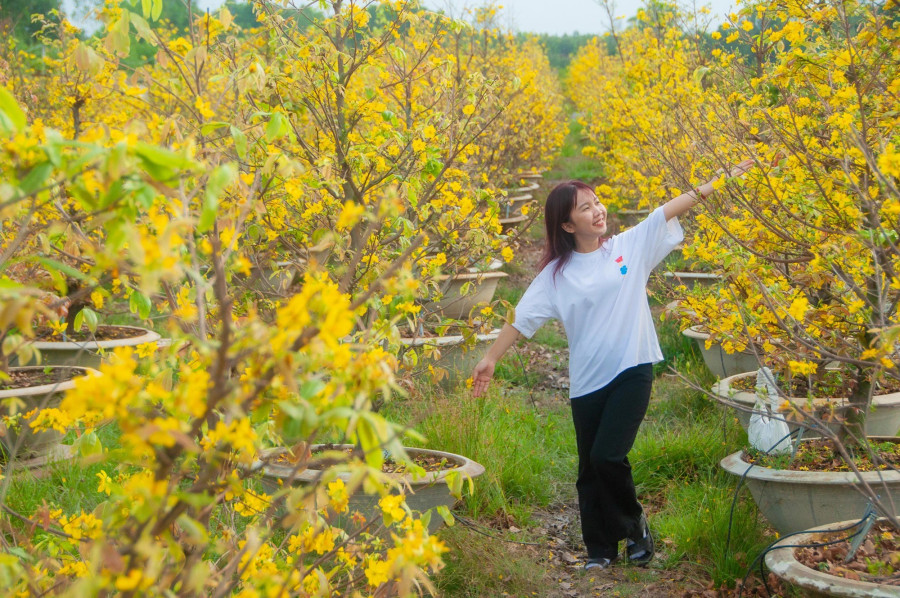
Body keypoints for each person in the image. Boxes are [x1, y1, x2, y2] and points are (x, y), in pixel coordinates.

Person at [471, 160, 755, 571]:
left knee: (608, 456)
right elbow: (521, 317)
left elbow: (667, 211)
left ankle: (634, 524)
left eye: (597, 202)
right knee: (589, 469)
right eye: (585, 208)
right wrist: (490, 358)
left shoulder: (627, 248)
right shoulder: (555, 275)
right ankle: (599, 550)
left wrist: (716, 182)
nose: (598, 210)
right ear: (567, 225)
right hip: (587, 381)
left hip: (632, 367)